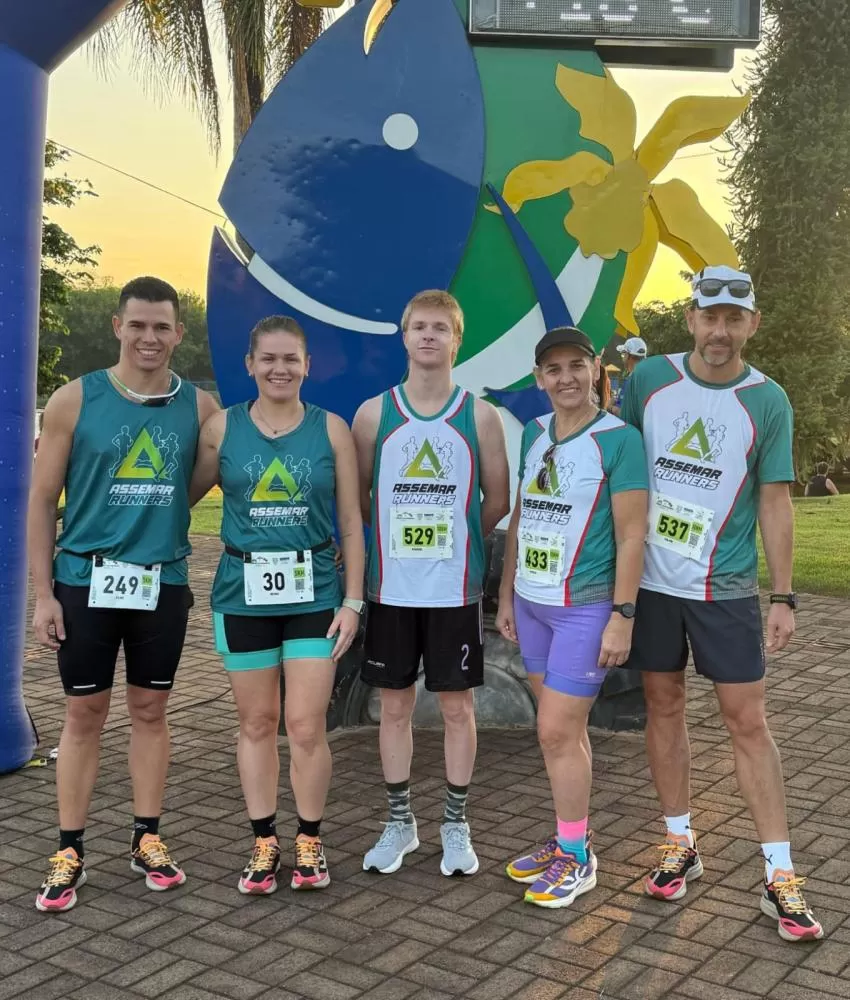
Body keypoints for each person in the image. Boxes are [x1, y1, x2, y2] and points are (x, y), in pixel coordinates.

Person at [621, 264, 823, 942]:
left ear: (751, 324)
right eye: (710, 315)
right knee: (663, 704)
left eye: (734, 318)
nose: (720, 330)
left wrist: (785, 595)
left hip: (725, 586)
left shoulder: (768, 400)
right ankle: (680, 841)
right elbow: (617, 471)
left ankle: (780, 873)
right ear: (691, 319)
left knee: (746, 720)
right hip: (650, 585)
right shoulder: (648, 382)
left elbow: (774, 501)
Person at [28, 277, 219, 912]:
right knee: (83, 715)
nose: (149, 337)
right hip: (83, 582)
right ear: (117, 327)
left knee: (150, 713)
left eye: (162, 326)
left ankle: (147, 837)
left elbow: (200, 483)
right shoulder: (73, 400)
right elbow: (39, 501)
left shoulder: (200, 410)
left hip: (160, 584)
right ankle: (69, 848)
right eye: (138, 325)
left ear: (178, 334)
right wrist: (43, 594)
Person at [189, 315, 365, 895]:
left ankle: (310, 841)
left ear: (307, 365)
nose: (280, 369)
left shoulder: (332, 429)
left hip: (314, 592)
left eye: (291, 359)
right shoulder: (221, 429)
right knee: (257, 723)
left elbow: (351, 523)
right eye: (268, 359)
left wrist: (354, 601)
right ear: (250, 364)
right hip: (242, 594)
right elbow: (177, 499)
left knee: (305, 724)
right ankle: (264, 841)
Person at [353, 289, 510, 877]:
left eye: (439, 328)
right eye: (418, 326)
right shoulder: (374, 413)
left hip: (453, 591)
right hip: (392, 590)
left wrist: (458, 540)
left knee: (456, 709)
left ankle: (455, 823)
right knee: (392, 708)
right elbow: (361, 498)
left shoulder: (479, 415)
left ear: (455, 339)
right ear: (404, 335)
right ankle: (400, 822)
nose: (427, 336)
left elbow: (497, 500)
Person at [496, 327, 648, 908]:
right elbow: (522, 519)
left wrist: (623, 615)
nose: (565, 378)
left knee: (555, 731)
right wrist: (507, 596)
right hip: (533, 605)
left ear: (596, 370)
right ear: (540, 378)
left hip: (584, 607)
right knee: (564, 732)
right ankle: (569, 840)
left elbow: (634, 534)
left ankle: (578, 859)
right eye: (553, 369)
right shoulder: (534, 434)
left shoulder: (619, 440)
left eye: (576, 366)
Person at [610, 336, 648, 416]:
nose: (623, 358)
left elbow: (625, 414)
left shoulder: (632, 380)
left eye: (623, 355)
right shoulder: (645, 379)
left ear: (628, 356)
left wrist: (610, 408)